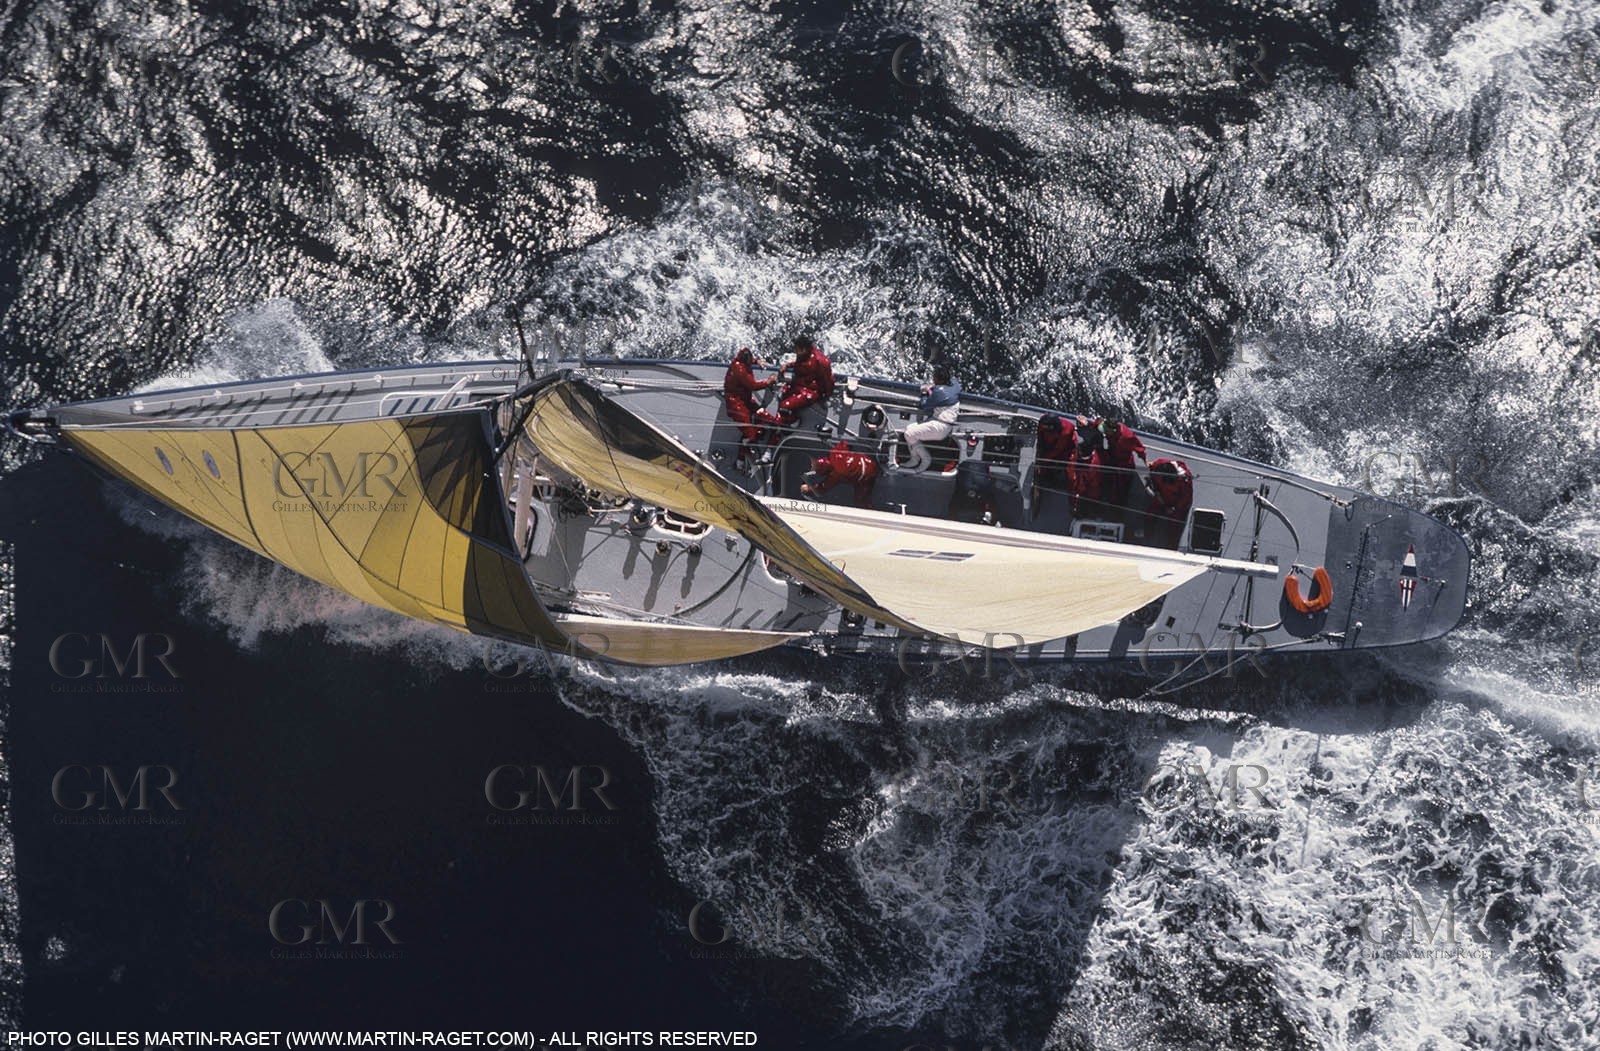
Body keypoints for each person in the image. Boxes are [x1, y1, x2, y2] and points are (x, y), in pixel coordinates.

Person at [761, 335, 835, 430]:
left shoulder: (820, 361)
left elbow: (828, 380)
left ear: (804, 348)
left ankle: (793, 422)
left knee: (785, 406)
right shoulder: (803, 355)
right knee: (781, 394)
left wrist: (825, 396)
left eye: (797, 349)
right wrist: (787, 365)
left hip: (811, 391)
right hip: (799, 385)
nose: (796, 351)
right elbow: (800, 365)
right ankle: (783, 419)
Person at [1076, 413, 1147, 510]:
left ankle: (1118, 505)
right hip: (1111, 454)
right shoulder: (1104, 424)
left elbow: (1140, 448)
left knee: (1120, 485)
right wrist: (1087, 424)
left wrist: (1145, 462)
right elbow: (1097, 424)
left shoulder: (1127, 437)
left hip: (1123, 462)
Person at [899, 365, 961, 473]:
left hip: (940, 426)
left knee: (909, 434)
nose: (933, 379)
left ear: (938, 379)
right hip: (943, 424)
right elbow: (950, 385)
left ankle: (925, 460)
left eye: (934, 377)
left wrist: (924, 391)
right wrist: (932, 386)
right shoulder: (955, 384)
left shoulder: (939, 392)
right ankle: (915, 459)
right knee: (909, 428)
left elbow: (924, 405)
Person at [722, 347, 774, 470]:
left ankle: (755, 436)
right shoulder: (739, 369)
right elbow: (753, 385)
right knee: (750, 435)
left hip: (745, 400)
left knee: (763, 419)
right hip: (736, 403)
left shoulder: (741, 361)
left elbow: (749, 359)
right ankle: (741, 459)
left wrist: (757, 361)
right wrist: (768, 382)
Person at [801, 439, 879, 507]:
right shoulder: (835, 452)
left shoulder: (835, 475)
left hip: (867, 477)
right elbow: (846, 443)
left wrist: (807, 489)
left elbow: (820, 489)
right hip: (869, 462)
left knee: (861, 501)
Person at [1033, 413, 1080, 510]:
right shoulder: (1044, 422)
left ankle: (1073, 502)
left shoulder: (1066, 430)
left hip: (1066, 451)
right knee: (1044, 469)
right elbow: (1040, 436)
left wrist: (1041, 461)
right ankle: (1045, 479)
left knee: (1070, 474)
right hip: (1050, 444)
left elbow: (1057, 450)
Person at [1145, 457, 1194, 548]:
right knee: (1150, 514)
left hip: (1177, 504)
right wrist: (1153, 489)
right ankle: (1146, 538)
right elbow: (1151, 472)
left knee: (1174, 525)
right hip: (1161, 497)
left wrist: (1174, 509)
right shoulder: (1158, 465)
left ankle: (1171, 547)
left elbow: (1186, 498)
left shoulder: (1184, 479)